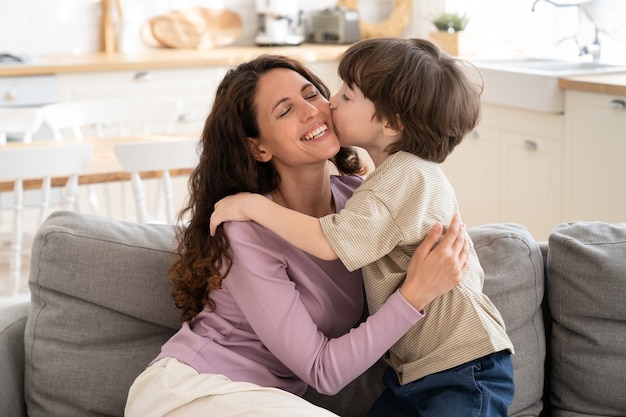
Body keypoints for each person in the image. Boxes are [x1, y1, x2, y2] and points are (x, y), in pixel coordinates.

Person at [125, 54, 469, 417]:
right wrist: (415, 295)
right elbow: (324, 370)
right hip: (193, 392)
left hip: (269, 402)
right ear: (259, 147)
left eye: (312, 94)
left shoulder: (362, 204)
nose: (312, 111)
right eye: (285, 111)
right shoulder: (245, 229)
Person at [210, 38, 515, 416]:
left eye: (346, 95)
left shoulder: (402, 179)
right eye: (287, 109)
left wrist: (254, 205)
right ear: (257, 147)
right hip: (417, 373)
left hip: (462, 366)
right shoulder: (383, 184)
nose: (329, 103)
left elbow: (327, 241)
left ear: (390, 122)